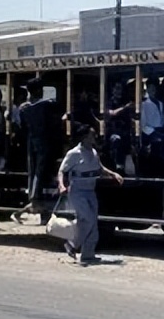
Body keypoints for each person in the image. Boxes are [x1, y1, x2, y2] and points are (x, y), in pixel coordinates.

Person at [58, 124, 123, 266]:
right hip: (78, 192)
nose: (95, 137)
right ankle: (72, 244)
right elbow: (62, 171)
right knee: (87, 220)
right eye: (92, 135)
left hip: (90, 191)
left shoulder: (93, 152)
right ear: (84, 137)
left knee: (93, 223)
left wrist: (113, 174)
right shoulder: (74, 153)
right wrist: (62, 185)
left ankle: (88, 254)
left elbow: (100, 167)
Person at [13, 77, 64, 224]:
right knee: (41, 168)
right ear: (37, 90)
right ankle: (36, 197)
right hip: (44, 141)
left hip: (31, 140)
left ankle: (34, 195)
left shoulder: (24, 108)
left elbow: (22, 127)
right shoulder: (45, 105)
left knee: (34, 169)